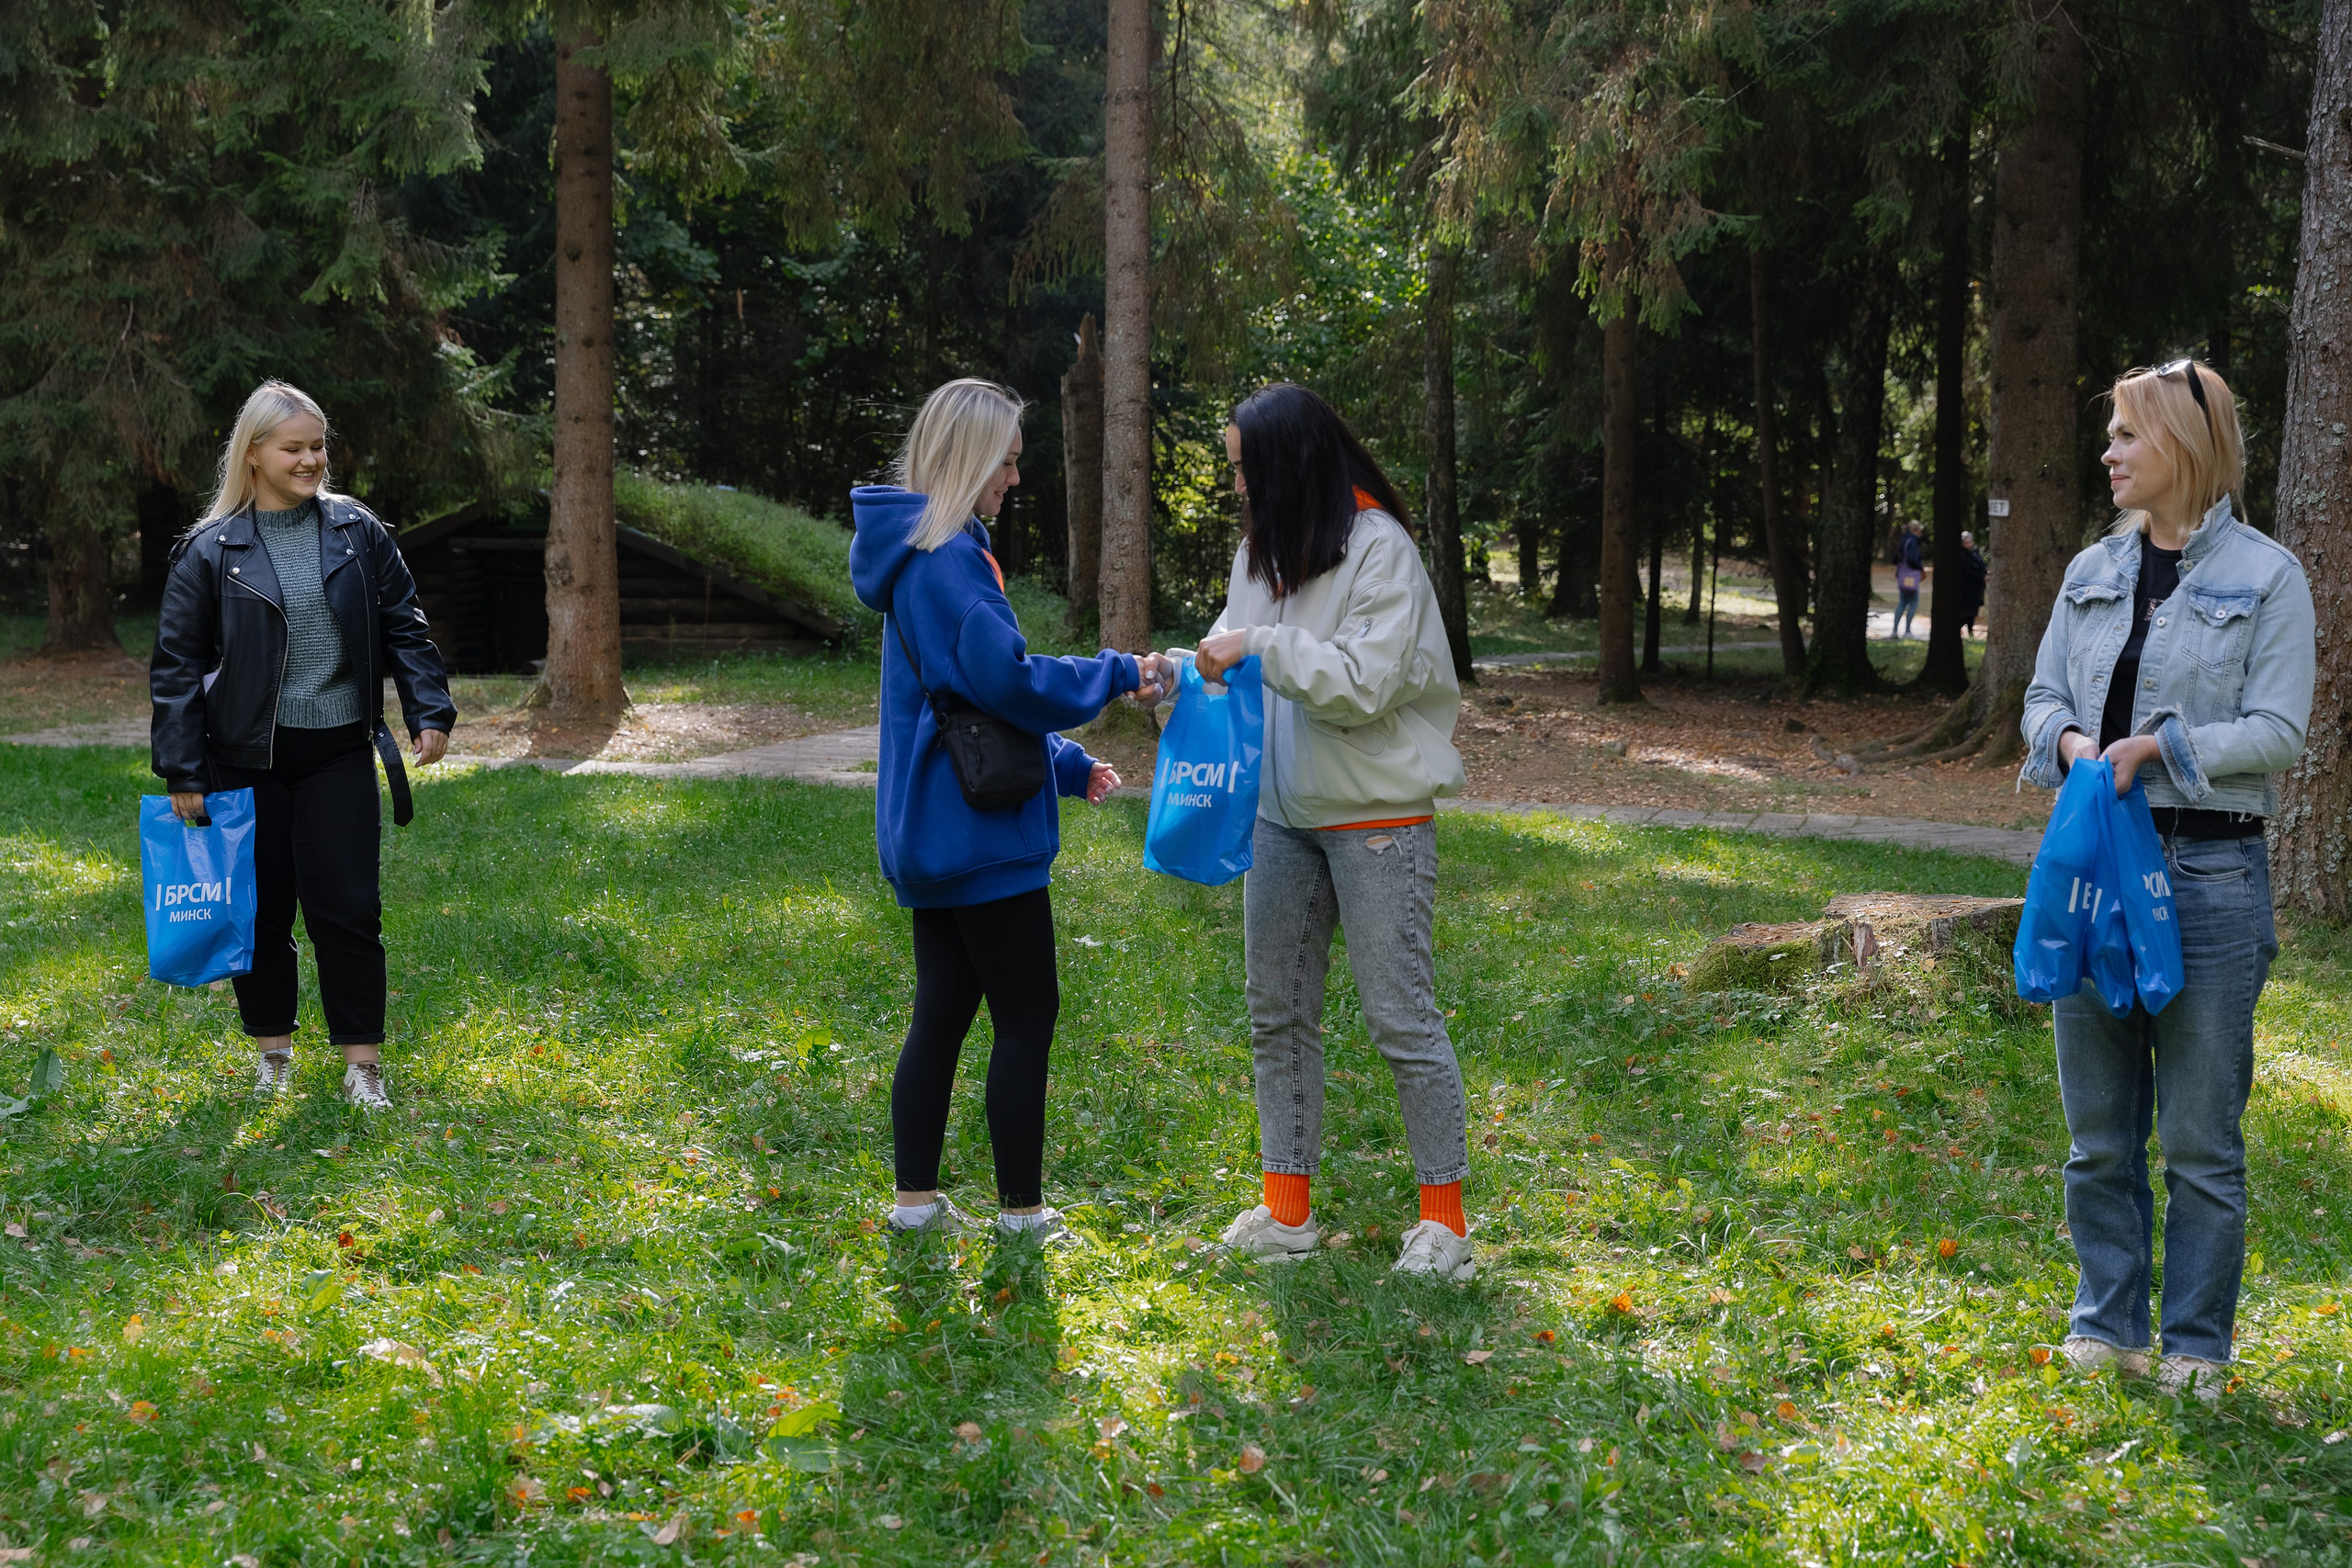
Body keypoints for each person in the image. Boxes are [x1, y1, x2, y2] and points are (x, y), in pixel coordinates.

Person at [2019, 360, 2314, 1403]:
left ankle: (2195, 1347)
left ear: (2181, 446)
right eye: (2110, 434)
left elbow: (2278, 730)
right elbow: (2042, 696)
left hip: (2211, 877)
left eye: (2125, 435)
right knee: (2098, 1133)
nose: (2107, 452)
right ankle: (2107, 1328)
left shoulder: (2270, 577)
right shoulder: (2090, 569)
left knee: (2198, 1140)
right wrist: (2068, 742)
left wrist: (2158, 748)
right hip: (2098, 868)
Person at [1165, 382, 1474, 1280]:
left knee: (1400, 1017)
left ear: (1288, 465)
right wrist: (1176, 671)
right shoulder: (1260, 554)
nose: (1236, 486)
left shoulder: (1380, 549)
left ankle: (1446, 1225)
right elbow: (1228, 649)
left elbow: (1361, 684)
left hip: (1377, 816)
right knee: (1277, 1012)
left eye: (1244, 469)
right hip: (1280, 817)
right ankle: (1286, 1212)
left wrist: (1258, 647)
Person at [850, 378, 1166, 1242]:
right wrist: (1117, 670)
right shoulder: (950, 562)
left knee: (942, 1017)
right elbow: (1010, 683)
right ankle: (1023, 1215)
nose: (1015, 480)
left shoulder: (915, 556)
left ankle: (916, 1206)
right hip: (981, 842)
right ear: (969, 460)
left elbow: (958, 706)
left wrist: (1064, 764)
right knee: (1028, 1016)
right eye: (1008, 462)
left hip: (935, 835)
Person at [151, 380, 456, 1110]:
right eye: (294, 448)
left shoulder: (358, 531)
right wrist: (184, 769)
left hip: (338, 750)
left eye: (318, 446)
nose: (311, 459)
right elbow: (176, 666)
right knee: (260, 914)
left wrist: (429, 708)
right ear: (253, 454)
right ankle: (273, 1057)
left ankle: (363, 1067)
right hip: (243, 758)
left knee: (348, 908)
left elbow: (405, 624)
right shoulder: (209, 550)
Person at [1893, 519, 1927, 639]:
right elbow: (1912, 559)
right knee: (1913, 602)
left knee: (1902, 602)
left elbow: (1895, 559)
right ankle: (1907, 631)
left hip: (1902, 574)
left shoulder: (1903, 540)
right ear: (1915, 530)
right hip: (1910, 576)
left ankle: (1894, 630)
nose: (1920, 534)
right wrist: (1920, 568)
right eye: (1919, 531)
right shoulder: (1912, 542)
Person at [1956, 530, 1988, 637]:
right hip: (1967, 588)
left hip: (1976, 588)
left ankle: (1970, 632)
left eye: (1970, 542)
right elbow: (1967, 572)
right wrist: (1982, 577)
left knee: (1972, 613)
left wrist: (1985, 575)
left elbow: (1981, 566)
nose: (1970, 544)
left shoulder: (1975, 553)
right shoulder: (1962, 555)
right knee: (1966, 613)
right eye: (1967, 543)